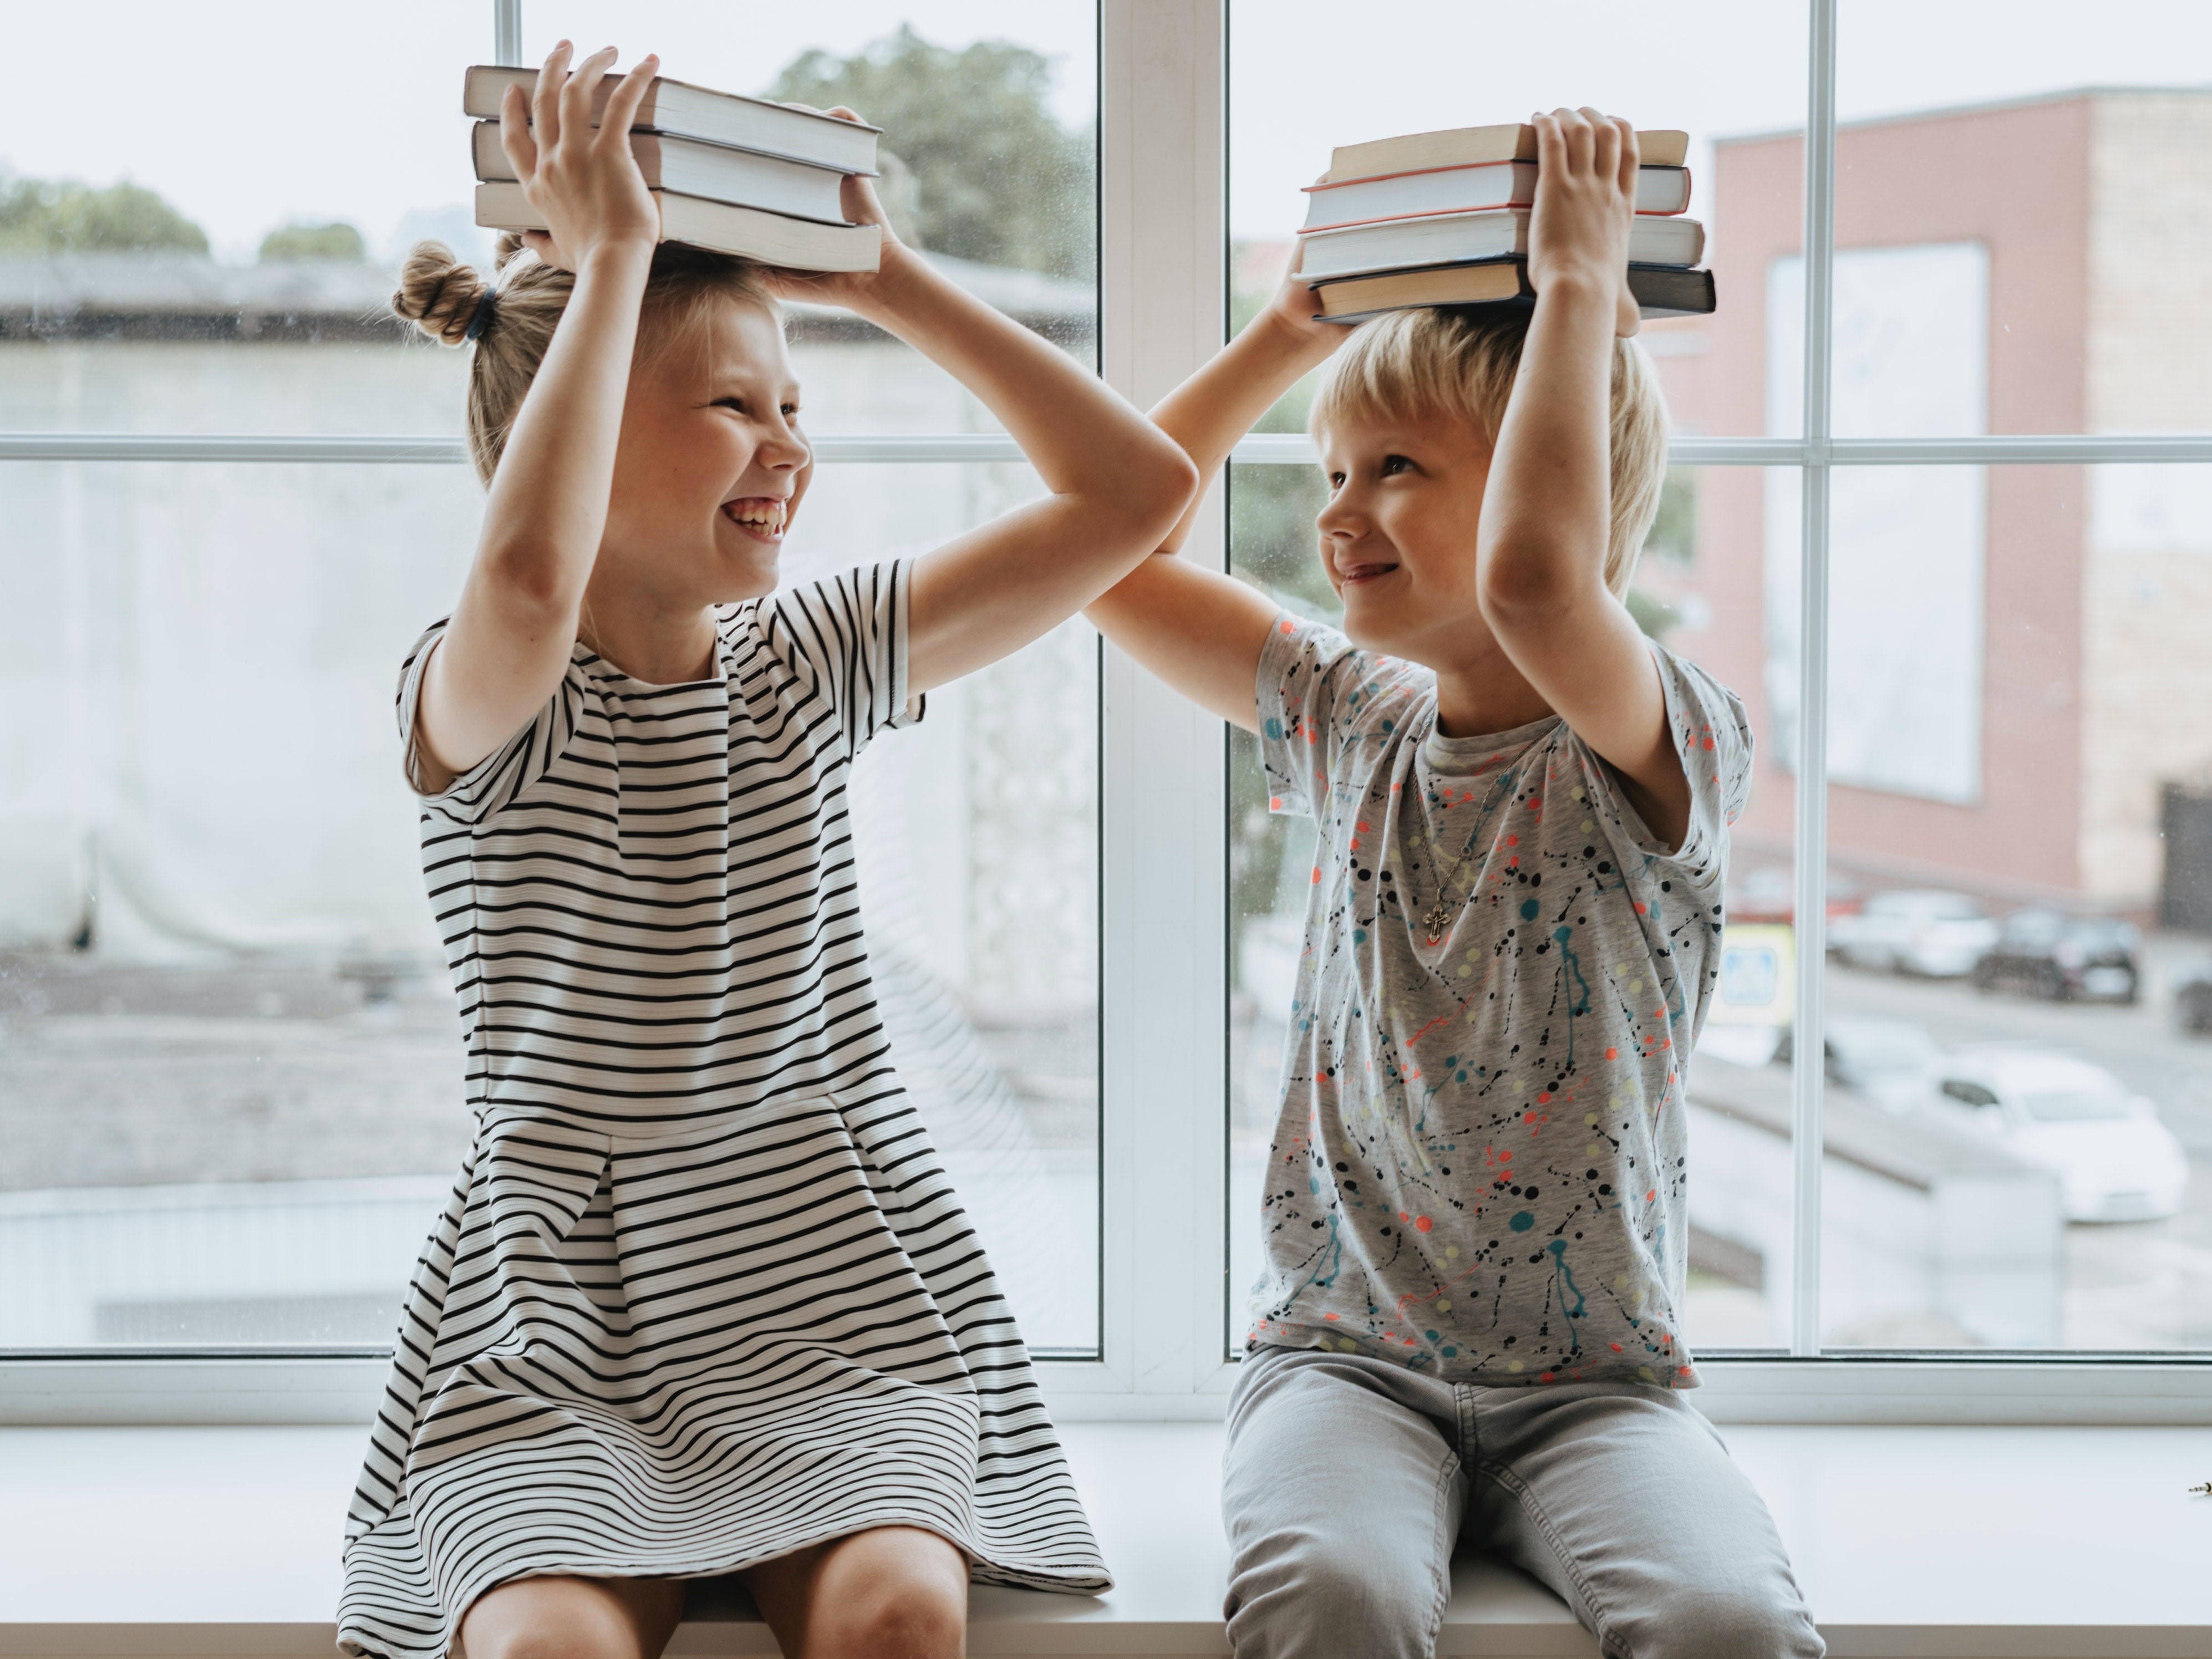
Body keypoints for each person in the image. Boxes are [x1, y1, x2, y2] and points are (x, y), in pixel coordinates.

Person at [340, 43, 1196, 1659]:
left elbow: (1135, 492)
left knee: (894, 1622)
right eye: (736, 407)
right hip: (559, 1326)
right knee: (551, 1651)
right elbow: (528, 578)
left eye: (796, 405)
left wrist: (893, 282)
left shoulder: (810, 659)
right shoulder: (488, 693)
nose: (790, 448)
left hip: (829, 1290)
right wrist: (605, 270)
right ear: (574, 431)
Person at [1085, 109, 1823, 1658]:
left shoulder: (1661, 740)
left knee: (1728, 1620)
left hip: (1600, 1391)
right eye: (1331, 470)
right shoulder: (1349, 715)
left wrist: (1573, 288)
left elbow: (1540, 583)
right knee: (1330, 1596)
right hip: (1343, 1366)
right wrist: (1285, 332)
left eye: (1397, 467)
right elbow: (1104, 555)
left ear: (1553, 483)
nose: (1337, 511)